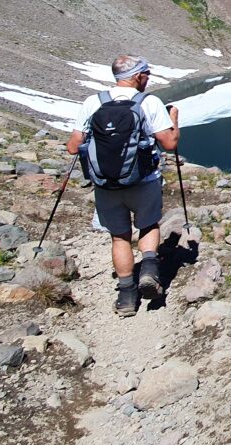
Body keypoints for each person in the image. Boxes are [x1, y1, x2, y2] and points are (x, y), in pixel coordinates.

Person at [65, 54, 180, 317]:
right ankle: (150, 269)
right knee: (148, 225)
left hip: (105, 184)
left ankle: (127, 297)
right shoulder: (149, 102)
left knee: (119, 237)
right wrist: (173, 118)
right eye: (147, 74)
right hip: (143, 181)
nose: (148, 78)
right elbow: (170, 144)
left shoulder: (93, 102)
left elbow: (73, 147)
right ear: (138, 76)